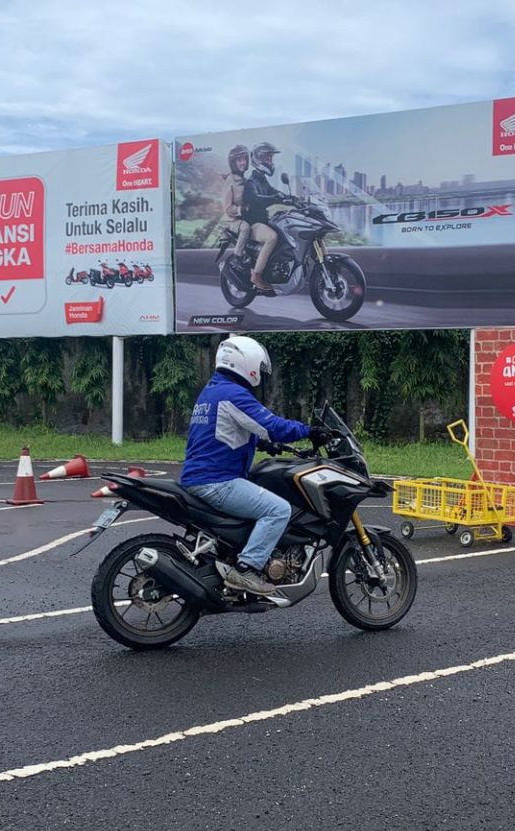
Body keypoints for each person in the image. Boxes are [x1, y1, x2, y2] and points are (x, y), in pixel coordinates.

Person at [181, 335, 330, 595]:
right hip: (217, 480)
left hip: (202, 476)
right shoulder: (234, 393)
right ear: (246, 362)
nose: (260, 375)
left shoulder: (212, 391)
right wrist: (309, 431)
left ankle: (235, 556)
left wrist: (262, 444)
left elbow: (225, 432)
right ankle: (247, 569)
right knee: (278, 510)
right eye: (259, 368)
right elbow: (272, 426)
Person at [242, 142, 288, 293]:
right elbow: (257, 198)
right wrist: (275, 197)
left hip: (263, 221)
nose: (270, 161)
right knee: (272, 237)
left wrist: (293, 199)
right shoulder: (250, 181)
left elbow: (274, 192)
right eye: (267, 158)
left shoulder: (262, 179)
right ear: (258, 159)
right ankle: (256, 275)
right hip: (252, 224)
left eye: (271, 158)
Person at [221, 145, 253, 257]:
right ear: (233, 163)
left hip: (244, 217)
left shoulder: (244, 179)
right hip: (232, 220)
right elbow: (227, 208)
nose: (243, 162)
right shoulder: (231, 181)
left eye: (244, 159)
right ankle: (237, 256)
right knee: (245, 228)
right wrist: (242, 209)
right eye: (239, 160)